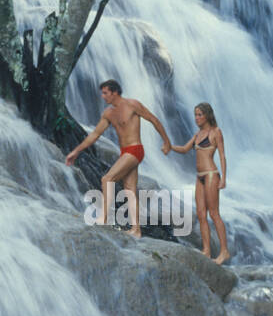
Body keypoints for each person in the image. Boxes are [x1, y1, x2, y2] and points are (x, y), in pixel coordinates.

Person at [65, 79, 173, 238]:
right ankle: (136, 230)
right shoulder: (108, 113)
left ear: (115, 92)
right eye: (102, 93)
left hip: (135, 149)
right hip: (125, 152)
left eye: (105, 93)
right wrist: (76, 151)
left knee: (107, 179)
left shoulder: (133, 105)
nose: (103, 96)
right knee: (130, 190)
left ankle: (104, 218)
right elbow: (94, 135)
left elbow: (154, 120)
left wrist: (166, 141)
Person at [172, 101, 229, 264]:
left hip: (211, 174)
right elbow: (184, 149)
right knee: (201, 214)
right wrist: (169, 146)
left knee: (214, 213)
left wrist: (223, 178)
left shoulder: (216, 132)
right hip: (199, 176)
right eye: (195, 115)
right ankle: (206, 250)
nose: (196, 118)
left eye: (199, 115)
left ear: (207, 115)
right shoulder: (197, 135)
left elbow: (222, 156)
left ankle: (224, 251)